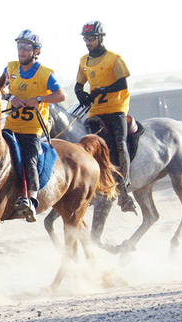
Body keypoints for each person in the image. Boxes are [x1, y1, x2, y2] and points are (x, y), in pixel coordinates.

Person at [2, 30, 66, 222]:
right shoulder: (11, 68)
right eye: (19, 47)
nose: (21, 51)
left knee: (30, 159)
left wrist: (38, 99)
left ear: (35, 51)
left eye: (26, 48)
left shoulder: (45, 74)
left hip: (32, 129)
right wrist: (11, 97)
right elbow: (2, 87)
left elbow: (60, 95)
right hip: (10, 125)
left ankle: (31, 199)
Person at [74, 20, 136, 214]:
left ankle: (124, 188)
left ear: (100, 38)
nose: (88, 42)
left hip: (116, 107)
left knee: (119, 143)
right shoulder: (84, 61)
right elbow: (78, 84)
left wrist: (102, 90)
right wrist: (81, 95)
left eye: (91, 39)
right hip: (96, 110)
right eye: (86, 39)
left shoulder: (114, 59)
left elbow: (122, 85)